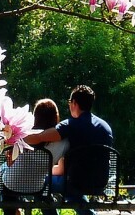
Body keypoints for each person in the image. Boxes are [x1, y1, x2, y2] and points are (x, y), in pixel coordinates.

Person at [24, 85, 113, 215]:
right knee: (73, 188)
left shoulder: (70, 125)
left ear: (74, 103)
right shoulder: (105, 127)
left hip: (75, 183)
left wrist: (17, 136)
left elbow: (39, 137)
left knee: (39, 184)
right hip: (100, 182)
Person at [0, 98, 69, 215]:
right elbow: (62, 168)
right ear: (56, 117)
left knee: (5, 172)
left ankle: (12, 211)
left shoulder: (23, 134)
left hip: (11, 185)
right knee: (42, 187)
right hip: (37, 187)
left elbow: (10, 162)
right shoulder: (64, 142)